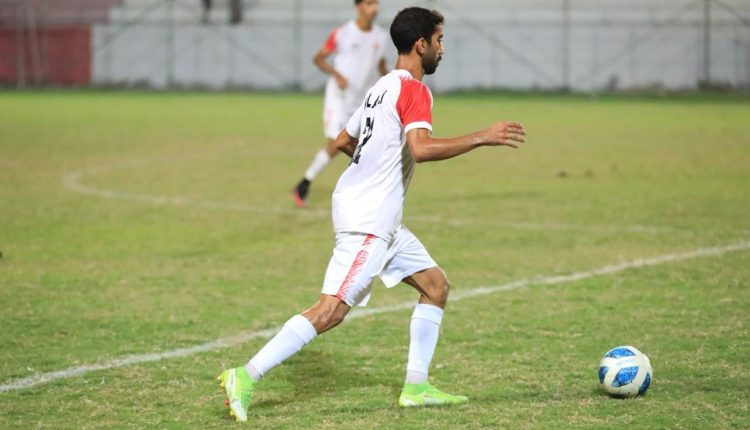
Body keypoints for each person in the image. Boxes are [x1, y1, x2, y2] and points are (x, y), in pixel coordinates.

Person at [218, 7, 527, 422]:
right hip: (369, 219)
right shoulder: (414, 90)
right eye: (439, 41)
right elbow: (420, 148)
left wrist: (372, 167)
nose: (442, 49)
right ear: (421, 44)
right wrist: (482, 136)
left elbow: (344, 140)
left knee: (435, 286)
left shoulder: (380, 86)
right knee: (330, 311)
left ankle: (416, 387)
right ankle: (244, 375)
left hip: (380, 217)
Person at [292, 0, 388, 208]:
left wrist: (394, 83)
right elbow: (318, 58)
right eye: (369, 3)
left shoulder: (381, 37)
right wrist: (337, 75)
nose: (374, 8)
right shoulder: (343, 33)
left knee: (368, 145)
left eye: (376, 3)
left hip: (361, 101)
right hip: (338, 99)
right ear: (358, 7)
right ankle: (304, 183)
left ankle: (364, 190)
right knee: (337, 143)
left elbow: (381, 66)